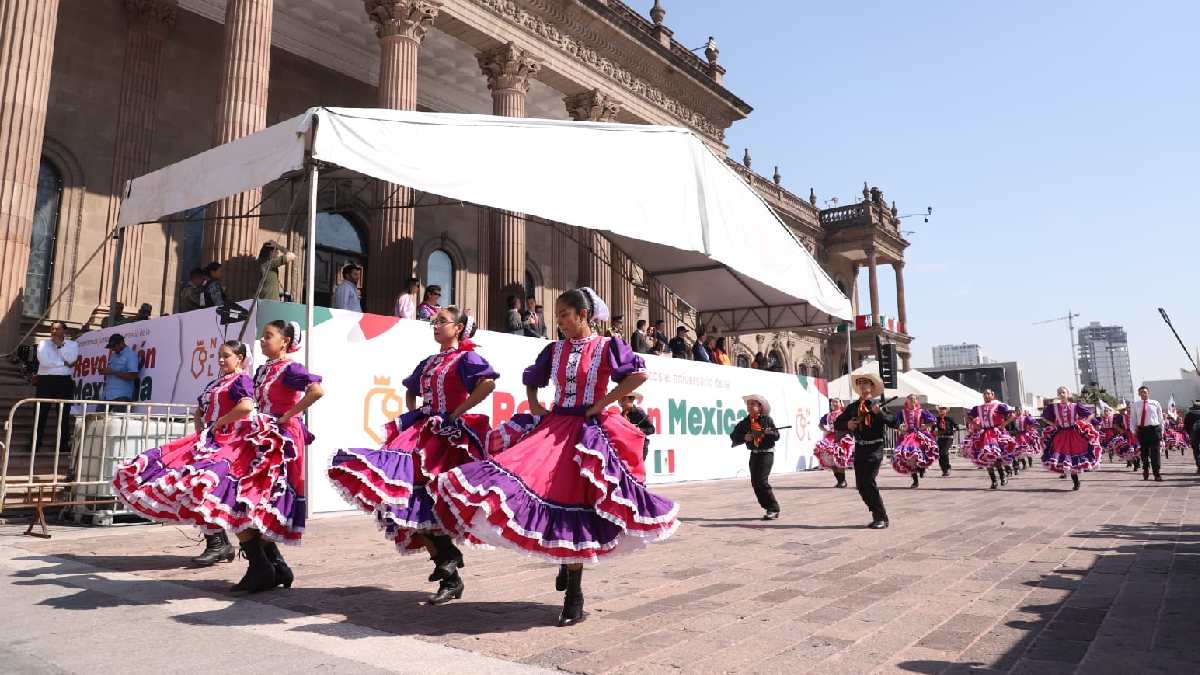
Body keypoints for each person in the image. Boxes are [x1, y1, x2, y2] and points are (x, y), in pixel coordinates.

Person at [434, 287, 678, 627]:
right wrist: (535, 407)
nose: (560, 321)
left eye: (565, 314)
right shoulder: (555, 349)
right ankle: (569, 570)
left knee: (579, 504)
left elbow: (637, 374)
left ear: (583, 315)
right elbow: (532, 379)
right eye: (558, 315)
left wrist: (603, 402)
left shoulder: (608, 347)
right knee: (538, 490)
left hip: (591, 431)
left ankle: (574, 592)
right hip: (557, 425)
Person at [328, 307, 497, 605]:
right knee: (406, 501)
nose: (435, 325)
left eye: (442, 321)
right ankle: (449, 573)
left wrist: (457, 413)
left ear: (458, 328)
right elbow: (411, 388)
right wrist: (414, 412)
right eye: (434, 321)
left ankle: (448, 564)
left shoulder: (466, 357)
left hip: (449, 437)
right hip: (421, 430)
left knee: (434, 501)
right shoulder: (430, 361)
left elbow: (487, 383)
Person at [112, 340, 253, 567]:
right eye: (220, 355)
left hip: (230, 442)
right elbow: (200, 408)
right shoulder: (216, 383)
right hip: (209, 440)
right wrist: (201, 427)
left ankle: (233, 547)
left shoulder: (242, 379)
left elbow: (246, 406)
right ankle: (218, 542)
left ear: (240, 358)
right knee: (186, 484)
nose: (221, 360)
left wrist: (220, 422)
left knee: (203, 486)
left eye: (226, 356)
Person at [835, 372, 893, 529]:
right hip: (860, 448)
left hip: (875, 448)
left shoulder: (877, 405)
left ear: (872, 387)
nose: (862, 386)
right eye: (860, 383)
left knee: (868, 481)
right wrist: (848, 425)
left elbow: (893, 422)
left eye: (866, 383)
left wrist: (879, 413)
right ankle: (876, 513)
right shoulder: (853, 407)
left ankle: (881, 517)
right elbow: (838, 423)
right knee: (861, 485)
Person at [730, 394, 782, 520]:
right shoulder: (745, 422)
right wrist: (744, 437)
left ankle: (773, 508)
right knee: (755, 482)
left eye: (753, 404)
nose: (750, 406)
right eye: (748, 404)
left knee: (762, 481)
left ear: (760, 406)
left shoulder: (767, 420)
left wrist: (770, 433)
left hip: (767, 453)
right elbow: (733, 436)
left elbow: (777, 436)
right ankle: (768, 507)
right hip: (754, 454)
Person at [1041, 386, 1101, 490]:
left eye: (1063, 392)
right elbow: (1044, 417)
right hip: (1061, 434)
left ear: (1068, 394)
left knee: (1074, 455)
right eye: (1059, 392)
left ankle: (1076, 481)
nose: (1061, 394)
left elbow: (1090, 414)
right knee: (1062, 455)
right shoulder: (1053, 407)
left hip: (1074, 433)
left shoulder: (1075, 406)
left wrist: (1084, 423)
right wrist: (1053, 424)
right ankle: (1075, 481)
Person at [34, 321, 79, 454]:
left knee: (63, 415)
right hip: (46, 380)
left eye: (57, 329)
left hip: (64, 381)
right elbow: (44, 362)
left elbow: (71, 360)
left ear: (64, 331)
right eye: (52, 329)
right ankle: (35, 443)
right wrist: (63, 363)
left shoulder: (72, 344)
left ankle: (63, 444)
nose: (53, 331)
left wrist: (61, 346)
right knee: (40, 413)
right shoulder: (43, 344)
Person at [962, 389, 1015, 489]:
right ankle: (994, 480)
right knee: (986, 457)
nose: (986, 395)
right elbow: (968, 417)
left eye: (988, 394)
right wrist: (975, 425)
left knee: (997, 456)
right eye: (984, 394)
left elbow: (1012, 415)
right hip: (984, 434)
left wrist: (1003, 424)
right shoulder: (978, 408)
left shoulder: (999, 406)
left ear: (992, 395)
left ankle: (1002, 476)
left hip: (996, 433)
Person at [891, 394, 937, 489]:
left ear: (916, 401)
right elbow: (895, 423)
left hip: (918, 435)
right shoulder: (902, 412)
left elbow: (932, 421)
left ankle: (921, 468)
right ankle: (915, 480)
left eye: (914, 399)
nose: (912, 400)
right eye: (910, 399)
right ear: (906, 401)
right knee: (909, 457)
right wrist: (901, 430)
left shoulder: (921, 411)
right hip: (907, 436)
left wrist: (923, 427)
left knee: (921, 453)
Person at [813, 398, 853, 488]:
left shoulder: (844, 413)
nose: (834, 404)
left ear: (840, 403)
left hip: (841, 437)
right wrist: (826, 430)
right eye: (832, 402)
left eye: (836, 402)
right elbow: (820, 424)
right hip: (830, 438)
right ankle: (839, 480)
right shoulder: (828, 415)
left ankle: (843, 481)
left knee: (840, 459)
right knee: (831, 461)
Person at [1128, 386, 1164, 482]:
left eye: (1145, 392)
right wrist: (1133, 430)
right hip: (1142, 430)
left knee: (1155, 453)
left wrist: (1162, 432)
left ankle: (1157, 473)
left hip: (1154, 429)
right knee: (1144, 452)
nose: (1143, 393)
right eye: (1141, 392)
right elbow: (1133, 419)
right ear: (1139, 394)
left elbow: (1161, 419)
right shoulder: (1135, 405)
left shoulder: (1155, 403)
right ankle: (1145, 469)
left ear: (1148, 393)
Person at [99, 334, 139, 403]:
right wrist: (104, 371)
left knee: (118, 414)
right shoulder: (113, 355)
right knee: (97, 414)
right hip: (106, 396)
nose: (112, 349)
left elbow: (133, 376)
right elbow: (111, 372)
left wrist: (113, 372)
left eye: (114, 346)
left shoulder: (130, 355)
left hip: (121, 396)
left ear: (122, 343)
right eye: (111, 347)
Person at [619, 391, 655, 460]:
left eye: (632, 398)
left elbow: (652, 429)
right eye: (629, 398)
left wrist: (639, 430)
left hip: (640, 449)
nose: (632, 400)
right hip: (627, 449)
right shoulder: (620, 416)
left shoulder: (639, 412)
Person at [1106, 405, 1141, 469]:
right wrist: (1122, 431)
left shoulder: (1136, 416)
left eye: (1130, 409)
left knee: (1136, 448)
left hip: (1135, 434)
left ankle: (1137, 461)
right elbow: (1115, 425)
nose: (1129, 410)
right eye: (1128, 409)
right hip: (1126, 434)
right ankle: (1132, 461)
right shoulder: (1121, 417)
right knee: (1127, 448)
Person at [933, 406, 959, 476]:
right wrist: (933, 431)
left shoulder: (950, 419)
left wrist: (955, 428)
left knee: (944, 452)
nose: (941, 410)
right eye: (940, 409)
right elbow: (932, 429)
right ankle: (944, 469)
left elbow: (956, 426)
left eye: (943, 409)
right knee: (939, 454)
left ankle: (948, 467)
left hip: (948, 437)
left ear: (946, 411)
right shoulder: (936, 419)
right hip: (940, 438)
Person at [1184, 399, 1200, 474]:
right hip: (1194, 434)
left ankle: (1199, 466)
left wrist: (1190, 433)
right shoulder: (1189, 414)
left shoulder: (1189, 414)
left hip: (1193, 435)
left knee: (1196, 450)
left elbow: (1186, 426)